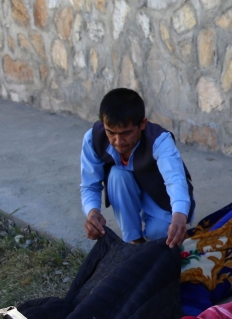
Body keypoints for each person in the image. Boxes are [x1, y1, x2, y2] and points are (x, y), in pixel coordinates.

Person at [81, 88, 194, 248]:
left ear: (142, 124)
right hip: (127, 189)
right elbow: (89, 185)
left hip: (161, 196)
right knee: (116, 175)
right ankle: (133, 240)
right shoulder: (92, 139)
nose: (118, 141)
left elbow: (176, 180)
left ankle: (160, 224)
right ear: (103, 125)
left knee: (162, 235)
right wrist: (92, 212)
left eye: (126, 133)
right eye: (111, 132)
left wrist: (180, 216)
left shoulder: (160, 140)